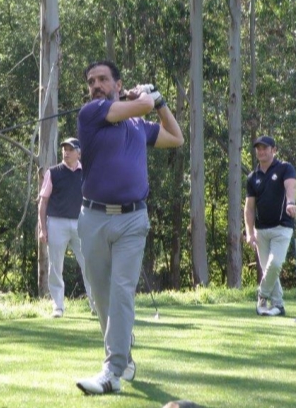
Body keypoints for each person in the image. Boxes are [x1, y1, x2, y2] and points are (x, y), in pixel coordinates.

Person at [75, 60, 184, 395]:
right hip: (92, 218)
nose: (96, 84)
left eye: (103, 79)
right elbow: (141, 104)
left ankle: (112, 371)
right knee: (102, 297)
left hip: (133, 219)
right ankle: (123, 349)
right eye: (91, 80)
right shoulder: (91, 113)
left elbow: (176, 138)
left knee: (122, 290)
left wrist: (161, 102)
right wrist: (148, 96)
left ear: (117, 84)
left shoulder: (137, 124)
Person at [38, 137, 94, 318]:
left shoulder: (86, 172)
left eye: (70, 149)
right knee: (56, 266)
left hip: (82, 223)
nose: (66, 152)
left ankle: (96, 305)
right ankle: (58, 306)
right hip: (56, 222)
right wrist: (42, 228)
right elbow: (43, 202)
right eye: (64, 149)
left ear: (79, 152)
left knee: (89, 266)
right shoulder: (53, 173)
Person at [244, 135, 296, 317]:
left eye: (265, 148)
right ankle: (278, 306)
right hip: (261, 231)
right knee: (268, 268)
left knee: (274, 264)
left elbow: (291, 186)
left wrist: (291, 203)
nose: (261, 151)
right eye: (258, 148)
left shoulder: (285, 168)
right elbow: (249, 209)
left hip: (282, 227)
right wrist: (250, 232)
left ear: (274, 150)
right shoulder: (253, 177)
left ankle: (262, 295)